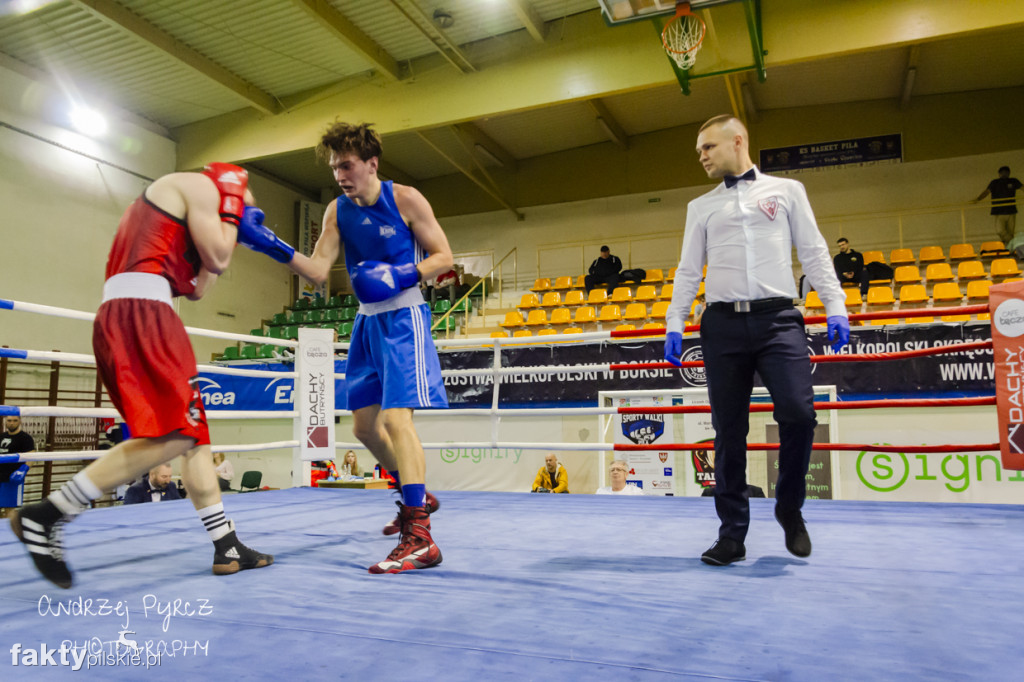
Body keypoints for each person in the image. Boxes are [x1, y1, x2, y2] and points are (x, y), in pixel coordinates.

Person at [10, 163, 273, 589]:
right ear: (232, 190)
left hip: (140, 311)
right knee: (176, 436)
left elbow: (200, 286)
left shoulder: (184, 211)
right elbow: (221, 255)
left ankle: (226, 545)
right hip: (144, 312)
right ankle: (50, 512)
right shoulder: (198, 186)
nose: (246, 213)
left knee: (195, 440)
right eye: (246, 206)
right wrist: (230, 218)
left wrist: (232, 233)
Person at [234, 122, 450, 574]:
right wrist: (269, 245)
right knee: (365, 430)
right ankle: (417, 493)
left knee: (396, 419)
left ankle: (420, 535)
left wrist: (401, 275)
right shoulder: (336, 210)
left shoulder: (405, 198)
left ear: (372, 163)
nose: (339, 174)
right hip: (365, 322)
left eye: (346, 165)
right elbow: (315, 270)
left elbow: (443, 258)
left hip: (404, 316)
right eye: (334, 167)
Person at [664, 115, 850, 567]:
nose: (701, 156)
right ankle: (731, 535)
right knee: (729, 431)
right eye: (699, 151)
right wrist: (674, 320)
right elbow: (689, 270)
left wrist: (836, 305)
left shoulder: (787, 191)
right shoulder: (700, 207)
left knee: (800, 414)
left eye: (708, 147)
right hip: (722, 324)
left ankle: (789, 508)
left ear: (737, 141)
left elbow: (814, 252)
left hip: (779, 319)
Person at [972, 166, 1023, 244]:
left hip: (1011, 210)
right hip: (999, 211)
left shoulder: (1013, 181)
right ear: (999, 174)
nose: (1005, 174)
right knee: (1000, 231)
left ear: (1009, 173)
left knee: (1010, 232)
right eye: (1003, 172)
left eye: (1006, 172)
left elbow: (1023, 187)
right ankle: (1015, 243)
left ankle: (1009, 249)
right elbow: (986, 192)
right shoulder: (995, 182)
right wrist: (977, 199)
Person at [1, 415, 35, 483]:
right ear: (5, 422)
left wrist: (23, 470)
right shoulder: (1, 436)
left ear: (20, 422)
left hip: (13, 477)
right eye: (9, 420)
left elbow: (31, 456)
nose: (12, 423)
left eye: (15, 420)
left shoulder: (25, 438)